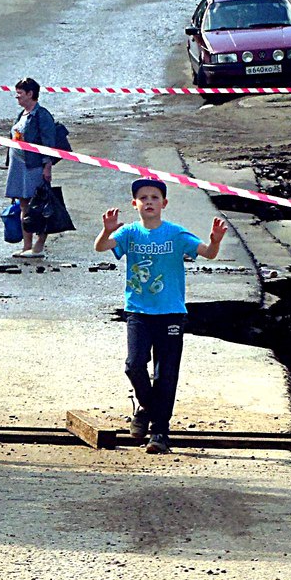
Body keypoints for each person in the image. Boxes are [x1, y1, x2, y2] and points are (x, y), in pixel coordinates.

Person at [93, 178, 227, 454]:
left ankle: (160, 432)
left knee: (165, 374)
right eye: (143, 198)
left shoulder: (176, 234)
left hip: (171, 314)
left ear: (164, 204)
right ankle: (146, 408)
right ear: (135, 204)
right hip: (139, 312)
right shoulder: (130, 232)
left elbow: (209, 254)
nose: (149, 201)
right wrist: (105, 231)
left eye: (155, 197)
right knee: (134, 365)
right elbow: (101, 247)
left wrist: (215, 240)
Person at [5, 77, 59, 259]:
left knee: (40, 206)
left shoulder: (42, 115)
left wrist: (47, 166)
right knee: (24, 207)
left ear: (30, 94)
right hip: (19, 166)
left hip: (34, 166)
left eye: (20, 93)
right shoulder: (21, 114)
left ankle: (39, 246)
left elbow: (48, 143)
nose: (16, 97)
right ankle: (26, 246)